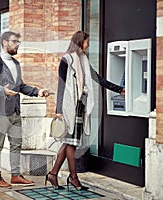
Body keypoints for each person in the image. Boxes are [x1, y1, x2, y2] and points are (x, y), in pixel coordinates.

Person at [45, 31, 125, 190]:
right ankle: (73, 177)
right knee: (72, 144)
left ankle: (53, 174)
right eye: (87, 42)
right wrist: (59, 110)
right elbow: (62, 86)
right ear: (80, 42)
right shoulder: (66, 60)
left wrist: (119, 89)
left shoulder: (83, 61)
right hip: (69, 108)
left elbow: (97, 78)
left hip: (80, 107)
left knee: (70, 142)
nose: (89, 45)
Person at [0, 31, 50, 188]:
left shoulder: (15, 64)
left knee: (16, 144)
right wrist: (3, 90)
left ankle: (15, 175)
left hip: (15, 111)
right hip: (0, 112)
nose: (17, 45)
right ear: (5, 43)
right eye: (15, 42)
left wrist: (37, 92)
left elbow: (21, 86)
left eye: (18, 42)